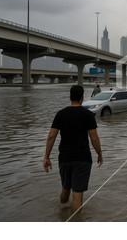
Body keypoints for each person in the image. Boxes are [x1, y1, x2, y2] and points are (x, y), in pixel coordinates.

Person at [43, 85, 103, 214]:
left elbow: (51, 136)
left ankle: (62, 213)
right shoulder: (88, 115)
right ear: (82, 98)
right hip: (82, 158)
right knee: (77, 194)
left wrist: (46, 157)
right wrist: (100, 154)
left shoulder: (61, 114)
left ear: (70, 98)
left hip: (64, 158)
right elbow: (94, 138)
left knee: (65, 188)